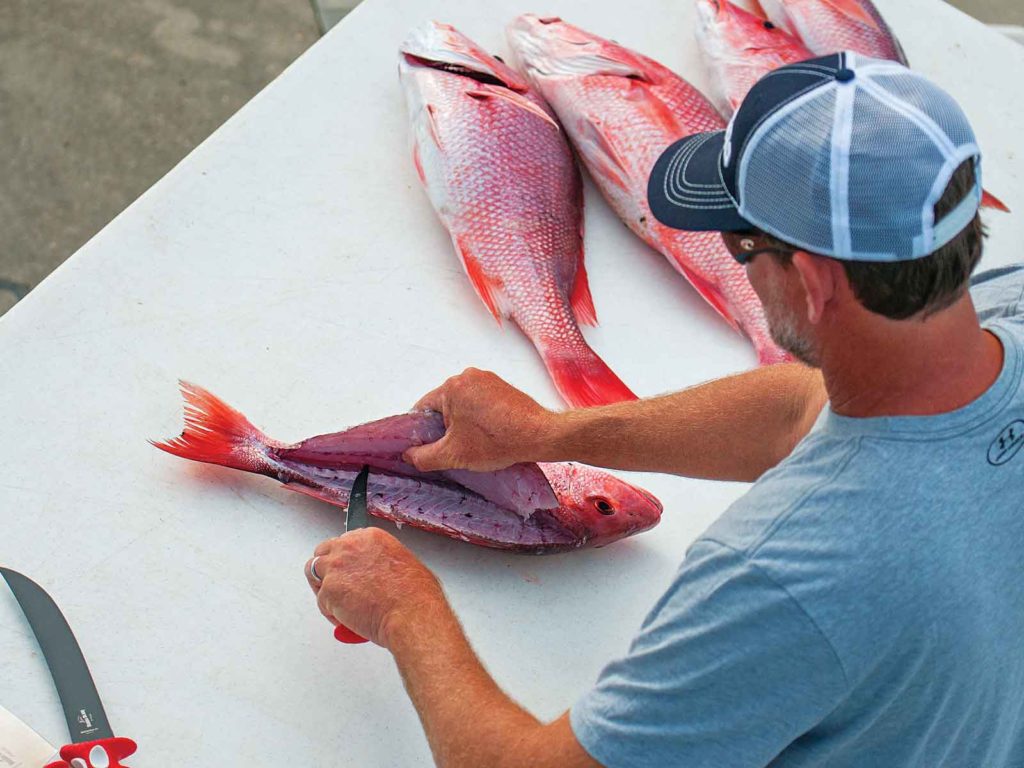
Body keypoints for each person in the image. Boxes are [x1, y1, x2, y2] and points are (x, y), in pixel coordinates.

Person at [304, 52, 1024, 767]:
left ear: (810, 281)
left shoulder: (781, 574)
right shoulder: (1000, 308)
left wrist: (406, 610)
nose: (732, 256)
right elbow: (798, 408)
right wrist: (550, 433)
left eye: (740, 242)